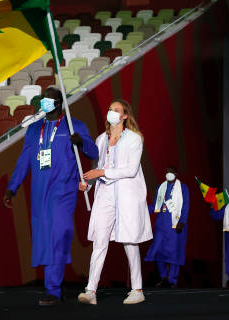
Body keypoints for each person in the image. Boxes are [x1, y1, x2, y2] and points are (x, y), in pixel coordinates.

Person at [3, 87, 98, 306]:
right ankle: (53, 287)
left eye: (50, 99)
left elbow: (94, 153)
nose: (45, 102)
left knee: (59, 233)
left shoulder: (74, 126)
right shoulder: (35, 129)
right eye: (43, 98)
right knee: (45, 238)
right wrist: (12, 188)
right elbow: (24, 160)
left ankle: (53, 289)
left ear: (59, 103)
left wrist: (81, 142)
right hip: (39, 192)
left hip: (63, 190)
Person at [78, 99, 153, 305]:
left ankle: (137, 289)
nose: (111, 112)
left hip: (127, 194)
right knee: (99, 241)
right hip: (104, 194)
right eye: (110, 109)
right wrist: (88, 183)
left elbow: (130, 170)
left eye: (116, 110)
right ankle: (90, 290)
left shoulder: (134, 139)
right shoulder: (101, 139)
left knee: (129, 240)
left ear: (125, 116)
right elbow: (97, 166)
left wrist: (101, 172)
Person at [145, 166, 190, 288]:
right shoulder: (162, 187)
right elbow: (155, 205)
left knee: (174, 253)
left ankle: (172, 280)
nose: (169, 173)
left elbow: (185, 205)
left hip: (175, 226)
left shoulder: (183, 188)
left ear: (176, 173)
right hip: (161, 225)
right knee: (158, 251)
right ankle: (164, 276)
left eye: (171, 172)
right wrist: (143, 211)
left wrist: (182, 221)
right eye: (167, 171)